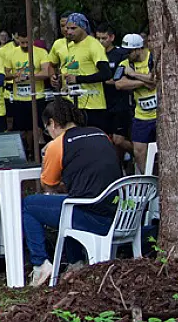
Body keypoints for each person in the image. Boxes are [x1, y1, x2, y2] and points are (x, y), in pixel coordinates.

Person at [23, 98, 122, 286]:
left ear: (52, 123)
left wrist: (47, 157)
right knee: (70, 202)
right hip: (117, 214)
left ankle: (40, 264)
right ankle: (75, 262)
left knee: (29, 205)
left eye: (47, 130)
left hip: (91, 218)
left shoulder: (58, 144)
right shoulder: (100, 134)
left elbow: (48, 185)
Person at [49, 14, 112, 131]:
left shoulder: (93, 45)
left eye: (73, 28)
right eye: (67, 28)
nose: (69, 32)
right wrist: (55, 77)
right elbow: (62, 66)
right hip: (70, 103)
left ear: (83, 28)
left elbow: (106, 74)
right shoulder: (69, 45)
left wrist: (78, 79)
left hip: (92, 105)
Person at [3, 29, 52, 155]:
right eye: (22, 43)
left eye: (27, 43)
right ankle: (24, 151)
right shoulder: (11, 53)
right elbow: (5, 74)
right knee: (21, 129)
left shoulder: (41, 52)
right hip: (19, 98)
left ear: (32, 39)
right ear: (17, 39)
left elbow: (46, 72)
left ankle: (35, 152)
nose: (25, 45)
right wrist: (15, 76)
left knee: (37, 128)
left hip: (36, 97)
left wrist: (29, 77)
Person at [116, 34, 158, 173]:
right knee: (139, 150)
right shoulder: (125, 64)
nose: (126, 55)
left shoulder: (153, 57)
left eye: (129, 52)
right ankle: (147, 176)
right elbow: (119, 84)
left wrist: (133, 75)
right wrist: (144, 82)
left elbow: (156, 78)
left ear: (138, 49)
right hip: (142, 115)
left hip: (160, 113)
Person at [95, 23, 134, 156]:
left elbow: (121, 78)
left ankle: (139, 154)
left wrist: (100, 79)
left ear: (111, 37)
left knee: (119, 140)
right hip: (102, 103)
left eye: (104, 38)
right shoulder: (95, 54)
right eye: (98, 38)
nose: (101, 42)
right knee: (109, 140)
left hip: (119, 104)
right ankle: (119, 164)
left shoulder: (120, 54)